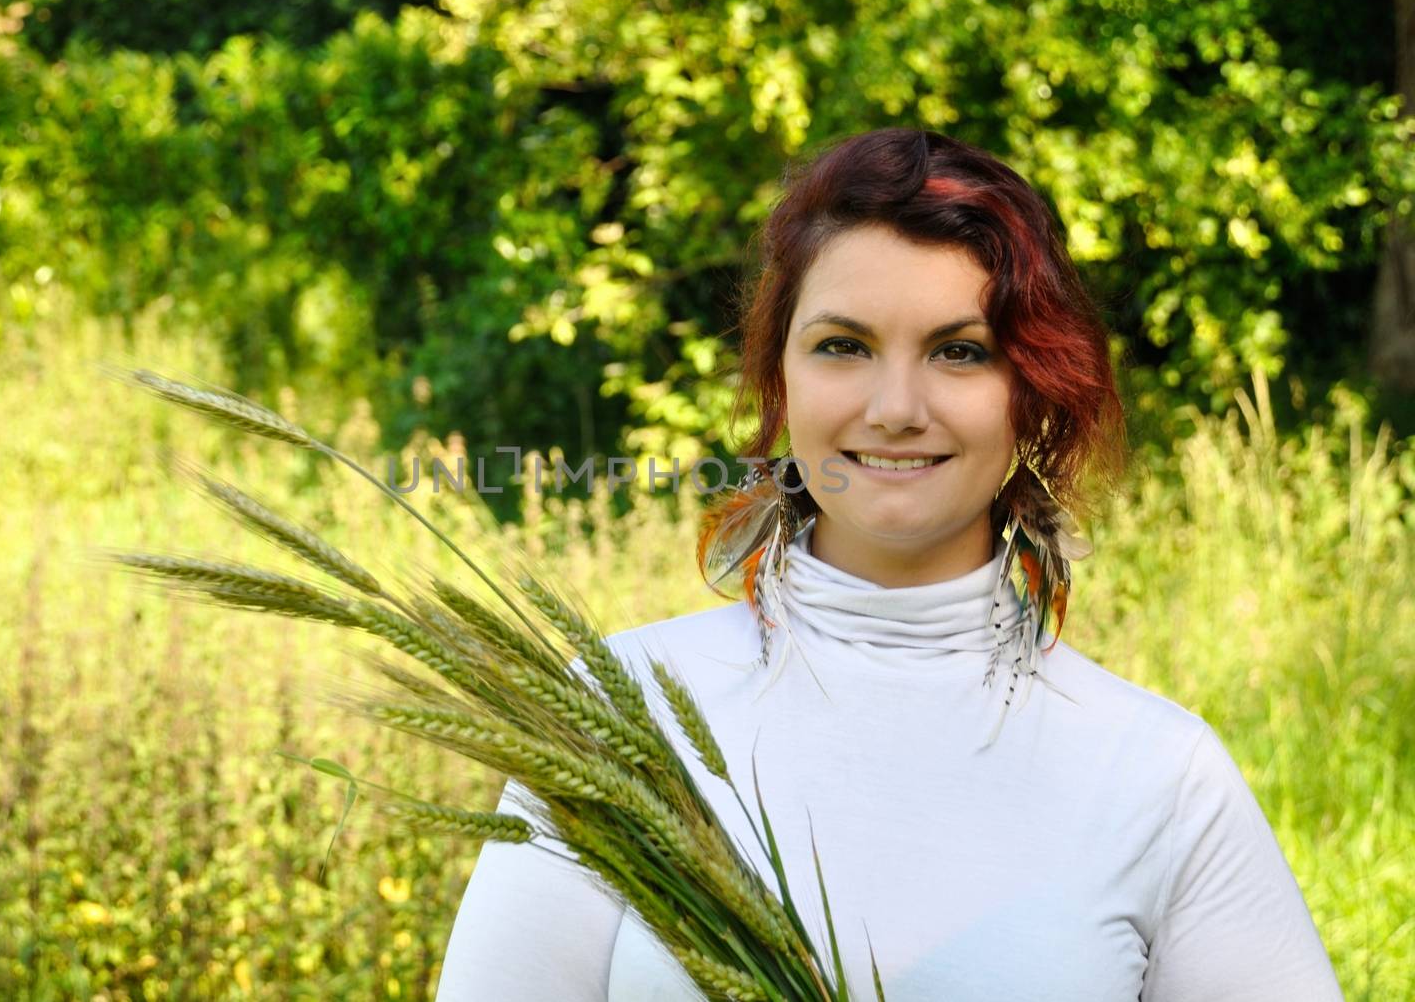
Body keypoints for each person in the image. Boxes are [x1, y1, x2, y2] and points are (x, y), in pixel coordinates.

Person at [433, 128, 1343, 1001]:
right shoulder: (615, 710)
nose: (896, 407)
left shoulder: (1157, 773)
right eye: (844, 346)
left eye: (960, 351)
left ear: (1032, 393)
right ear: (780, 378)